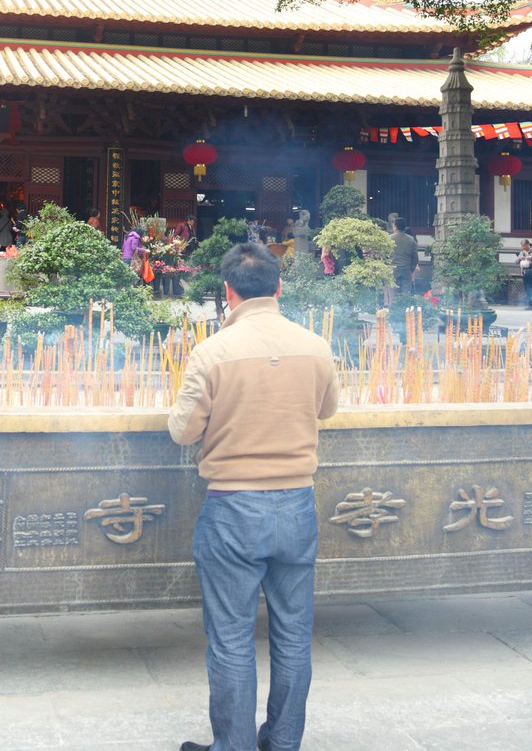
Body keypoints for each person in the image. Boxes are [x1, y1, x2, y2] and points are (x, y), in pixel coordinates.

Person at [168, 243, 340, 751]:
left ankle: (234, 746)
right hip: (296, 506)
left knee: (231, 639)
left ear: (228, 291)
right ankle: (283, 742)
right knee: (292, 635)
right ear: (279, 287)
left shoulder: (213, 351)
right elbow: (327, 410)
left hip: (233, 508)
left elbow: (182, 430)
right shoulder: (315, 345)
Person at [389, 215, 418, 296]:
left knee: (394, 292)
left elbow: (385, 255)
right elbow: (415, 257)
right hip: (406, 268)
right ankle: (405, 307)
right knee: (406, 292)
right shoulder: (411, 239)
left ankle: (394, 308)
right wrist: (411, 268)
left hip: (393, 269)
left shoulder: (389, 238)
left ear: (395, 226)